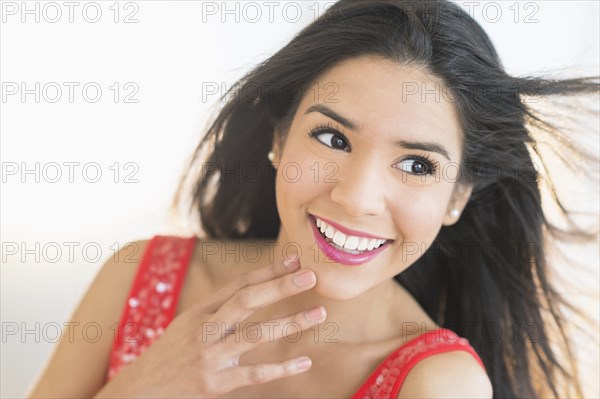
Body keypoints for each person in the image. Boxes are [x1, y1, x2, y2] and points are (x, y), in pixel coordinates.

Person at [28, 0, 599, 398]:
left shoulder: (437, 384)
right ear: (279, 138)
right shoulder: (140, 274)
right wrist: (139, 389)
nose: (355, 198)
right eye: (333, 138)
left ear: (457, 198)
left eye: (417, 164)